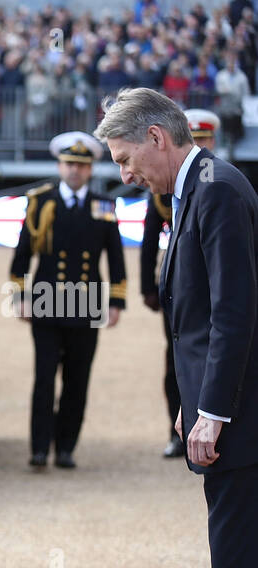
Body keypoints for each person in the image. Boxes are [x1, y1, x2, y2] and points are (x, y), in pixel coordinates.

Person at [98, 87, 258, 568]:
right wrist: (192, 402)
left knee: (240, 563)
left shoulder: (216, 190)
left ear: (158, 138)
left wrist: (212, 411)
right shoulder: (194, 190)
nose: (126, 174)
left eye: (128, 158)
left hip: (243, 420)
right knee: (237, 560)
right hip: (227, 410)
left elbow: (232, 313)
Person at [9, 131, 127, 469]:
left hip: (86, 304)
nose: (74, 170)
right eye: (69, 164)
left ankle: (66, 447)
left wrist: (116, 301)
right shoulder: (40, 201)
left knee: (78, 378)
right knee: (44, 377)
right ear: (60, 166)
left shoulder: (103, 206)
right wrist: (20, 295)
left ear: (90, 169)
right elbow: (23, 254)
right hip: (46, 302)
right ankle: (39, 448)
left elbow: (115, 257)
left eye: (81, 165)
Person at [140, 109, 220, 459]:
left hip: (214, 283)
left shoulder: (226, 181)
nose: (200, 147)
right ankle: (181, 431)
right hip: (181, 288)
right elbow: (148, 238)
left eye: (205, 140)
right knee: (178, 358)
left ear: (213, 141)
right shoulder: (167, 185)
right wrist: (147, 286)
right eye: (195, 139)